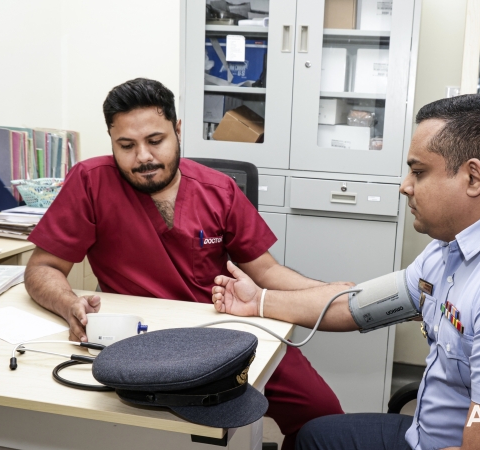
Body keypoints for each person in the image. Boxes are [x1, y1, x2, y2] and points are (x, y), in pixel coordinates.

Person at [211, 94, 480, 450]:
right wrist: (259, 301)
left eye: (418, 172)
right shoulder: (454, 247)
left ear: (473, 178)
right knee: (314, 436)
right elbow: (354, 306)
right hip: (426, 434)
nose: (405, 186)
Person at [24, 77, 344, 450]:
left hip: (227, 330)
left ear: (177, 130)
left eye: (155, 140)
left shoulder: (219, 190)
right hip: (141, 343)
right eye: (126, 145)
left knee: (322, 413)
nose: (143, 157)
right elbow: (42, 268)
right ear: (111, 141)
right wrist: (68, 304)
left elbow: (268, 272)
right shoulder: (90, 182)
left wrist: (331, 294)